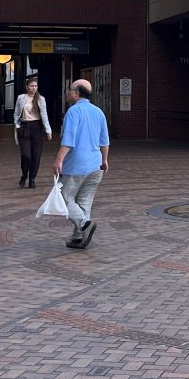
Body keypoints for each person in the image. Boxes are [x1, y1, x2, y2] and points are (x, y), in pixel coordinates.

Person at [52, 79, 110, 250]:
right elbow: (104, 140)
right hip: (95, 164)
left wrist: (59, 160)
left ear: (77, 93)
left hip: (76, 165)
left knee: (63, 198)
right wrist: (104, 160)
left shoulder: (73, 111)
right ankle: (79, 237)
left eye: (70, 89)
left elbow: (68, 140)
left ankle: (85, 224)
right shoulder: (98, 112)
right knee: (84, 201)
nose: (68, 92)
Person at [12, 77, 52, 188]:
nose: (33, 88)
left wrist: (48, 130)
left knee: (36, 155)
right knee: (26, 155)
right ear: (27, 87)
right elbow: (16, 113)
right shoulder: (21, 98)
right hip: (24, 127)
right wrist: (17, 124)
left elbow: (44, 115)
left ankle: (32, 178)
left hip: (36, 127)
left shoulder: (41, 99)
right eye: (31, 86)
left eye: (35, 86)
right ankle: (24, 175)